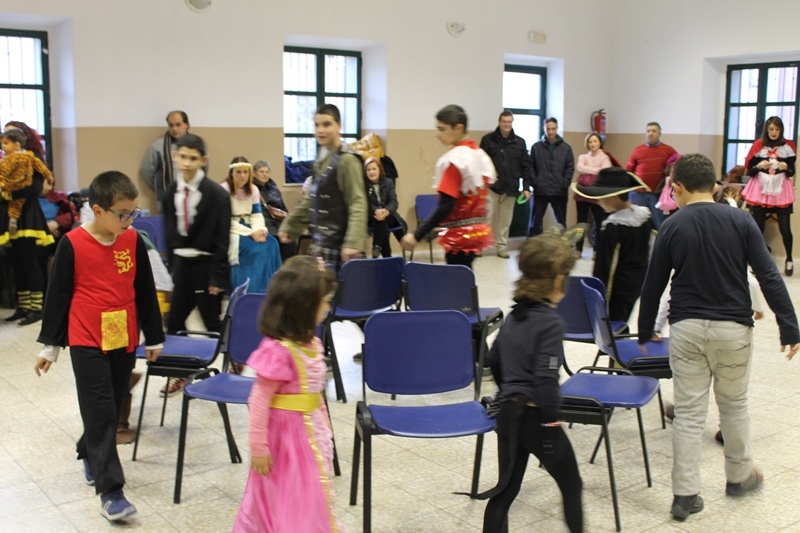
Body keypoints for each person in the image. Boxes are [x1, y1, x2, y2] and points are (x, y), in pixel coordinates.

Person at [637, 153, 800, 522]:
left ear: (677, 188)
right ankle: (740, 477)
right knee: (734, 404)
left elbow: (653, 285)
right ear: (713, 186)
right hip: (733, 330)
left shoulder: (672, 225)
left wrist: (647, 328)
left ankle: (685, 495)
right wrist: (789, 326)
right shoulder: (741, 220)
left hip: (686, 328)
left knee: (689, 413)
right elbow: (768, 275)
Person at [33, 171, 164, 522]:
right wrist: (50, 347)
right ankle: (112, 492)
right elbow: (57, 297)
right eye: (122, 213)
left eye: (133, 212)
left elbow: (144, 290)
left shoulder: (132, 240)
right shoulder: (73, 244)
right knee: (101, 409)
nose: (129, 220)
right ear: (98, 210)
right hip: (86, 337)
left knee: (110, 405)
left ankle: (89, 449)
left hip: (123, 335)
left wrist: (154, 336)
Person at [479, 234, 583, 533]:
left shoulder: (515, 316)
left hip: (508, 416)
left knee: (505, 492)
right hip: (537, 420)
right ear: (559, 280)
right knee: (572, 486)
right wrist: (552, 420)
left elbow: (494, 359)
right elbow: (545, 379)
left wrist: (508, 392)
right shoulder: (551, 323)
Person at [232, 256, 341, 532]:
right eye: (324, 302)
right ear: (303, 307)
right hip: (286, 440)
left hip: (309, 431)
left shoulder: (312, 342)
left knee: (311, 491)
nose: (328, 307)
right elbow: (258, 401)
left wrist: (323, 418)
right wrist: (258, 446)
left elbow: (313, 390)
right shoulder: (278, 350)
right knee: (287, 495)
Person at [400, 104, 495, 269]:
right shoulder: (480, 155)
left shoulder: (455, 160)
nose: (437, 134)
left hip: (460, 237)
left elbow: (445, 205)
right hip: (476, 231)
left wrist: (417, 235)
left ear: (459, 128)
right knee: (464, 274)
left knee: (457, 276)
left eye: (442, 129)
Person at [278, 103, 367, 273]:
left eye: (327, 124)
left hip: (342, 246)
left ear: (339, 125)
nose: (320, 130)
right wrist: (291, 225)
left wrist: (353, 243)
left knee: (341, 290)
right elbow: (312, 197)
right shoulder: (322, 155)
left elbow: (357, 201)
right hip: (322, 242)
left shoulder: (348, 160)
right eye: (317, 125)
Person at [162, 133, 231, 335]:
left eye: (193, 158)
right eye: (182, 157)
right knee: (174, 323)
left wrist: (217, 277)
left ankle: (229, 353)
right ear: (174, 156)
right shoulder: (171, 192)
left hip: (206, 266)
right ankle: (178, 355)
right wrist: (173, 268)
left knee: (212, 322)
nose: (187, 163)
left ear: (203, 160)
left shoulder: (217, 194)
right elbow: (169, 232)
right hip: (182, 266)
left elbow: (222, 239)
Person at [573, 167, 654, 323]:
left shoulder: (612, 227)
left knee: (612, 325)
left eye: (602, 197)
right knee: (623, 321)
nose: (599, 201)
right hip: (637, 283)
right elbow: (650, 250)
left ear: (614, 196)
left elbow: (605, 267)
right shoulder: (644, 217)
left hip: (617, 289)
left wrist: (598, 296)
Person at [741, 116, 797, 276]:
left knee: (785, 228)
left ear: (781, 130)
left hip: (781, 190)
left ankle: (789, 260)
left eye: (777, 129)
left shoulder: (788, 147)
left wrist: (785, 167)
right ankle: (757, 262)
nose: (774, 132)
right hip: (760, 190)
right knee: (758, 228)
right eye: (771, 129)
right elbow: (750, 172)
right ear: (766, 129)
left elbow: (792, 172)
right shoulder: (758, 146)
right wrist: (759, 166)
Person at [221, 156, 282, 294]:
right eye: (238, 172)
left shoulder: (253, 189)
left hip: (250, 226)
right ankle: (249, 291)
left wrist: (259, 230)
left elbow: (256, 214)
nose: (242, 176)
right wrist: (250, 233)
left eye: (245, 172)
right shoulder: (223, 189)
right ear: (232, 173)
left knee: (272, 243)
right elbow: (224, 220)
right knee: (255, 250)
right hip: (232, 230)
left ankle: (270, 290)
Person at [480, 111, 532, 258]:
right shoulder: (488, 140)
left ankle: (501, 247)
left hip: (511, 187)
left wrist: (526, 188)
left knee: (505, 221)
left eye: (509, 122)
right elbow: (480, 163)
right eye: (504, 121)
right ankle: (480, 247)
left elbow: (526, 167)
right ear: (499, 122)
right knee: (486, 218)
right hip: (491, 187)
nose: (506, 124)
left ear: (512, 122)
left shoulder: (520, 142)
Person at [625, 122, 678, 230]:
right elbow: (628, 171)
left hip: (658, 195)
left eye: (654, 131)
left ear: (659, 133)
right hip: (638, 194)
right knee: (636, 225)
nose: (650, 133)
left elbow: (676, 166)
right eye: (648, 131)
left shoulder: (668, 150)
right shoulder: (637, 150)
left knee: (661, 224)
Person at [0, 128, 52, 234]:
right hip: (5, 207)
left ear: (17, 144)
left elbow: (36, 187)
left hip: (28, 210)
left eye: (6, 143)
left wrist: (48, 176)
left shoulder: (30, 157)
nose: (3, 146)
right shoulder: (6, 159)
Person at [529, 117, 574, 236]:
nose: (550, 132)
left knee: (561, 223)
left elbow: (570, 168)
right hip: (540, 191)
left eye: (553, 129)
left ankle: (563, 246)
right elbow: (530, 167)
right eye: (548, 129)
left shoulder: (566, 148)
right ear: (544, 128)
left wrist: (564, 183)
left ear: (557, 129)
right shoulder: (536, 147)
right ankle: (531, 246)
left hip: (559, 191)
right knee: (534, 224)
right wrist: (535, 182)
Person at [140, 110, 192, 203]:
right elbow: (146, 171)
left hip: (192, 199)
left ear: (187, 125)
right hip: (166, 200)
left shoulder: (197, 146)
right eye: (171, 125)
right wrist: (160, 188)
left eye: (178, 125)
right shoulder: (157, 147)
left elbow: (203, 169)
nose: (174, 129)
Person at [573, 133, 611, 254]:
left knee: (599, 221)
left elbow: (604, 172)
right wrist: (596, 170)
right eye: (590, 142)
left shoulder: (605, 158)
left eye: (595, 141)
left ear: (600, 143)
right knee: (581, 221)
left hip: (597, 192)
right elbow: (580, 168)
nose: (592, 144)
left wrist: (588, 169)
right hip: (582, 192)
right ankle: (578, 248)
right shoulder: (583, 157)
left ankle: (597, 250)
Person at [253, 160, 297, 262]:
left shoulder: (273, 188)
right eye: (261, 172)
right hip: (264, 222)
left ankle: (288, 266)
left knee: (289, 240)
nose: (264, 174)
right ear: (254, 173)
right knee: (274, 240)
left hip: (278, 221)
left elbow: (282, 208)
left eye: (267, 172)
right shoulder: (252, 189)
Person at [364, 156, 407, 258]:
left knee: (381, 221)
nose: (371, 172)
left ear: (379, 170)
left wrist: (386, 211)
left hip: (389, 216)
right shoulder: (363, 185)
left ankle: (377, 246)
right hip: (371, 217)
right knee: (380, 221)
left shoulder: (388, 182)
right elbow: (365, 203)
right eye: (368, 170)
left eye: (374, 169)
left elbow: (393, 202)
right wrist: (376, 211)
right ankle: (387, 256)